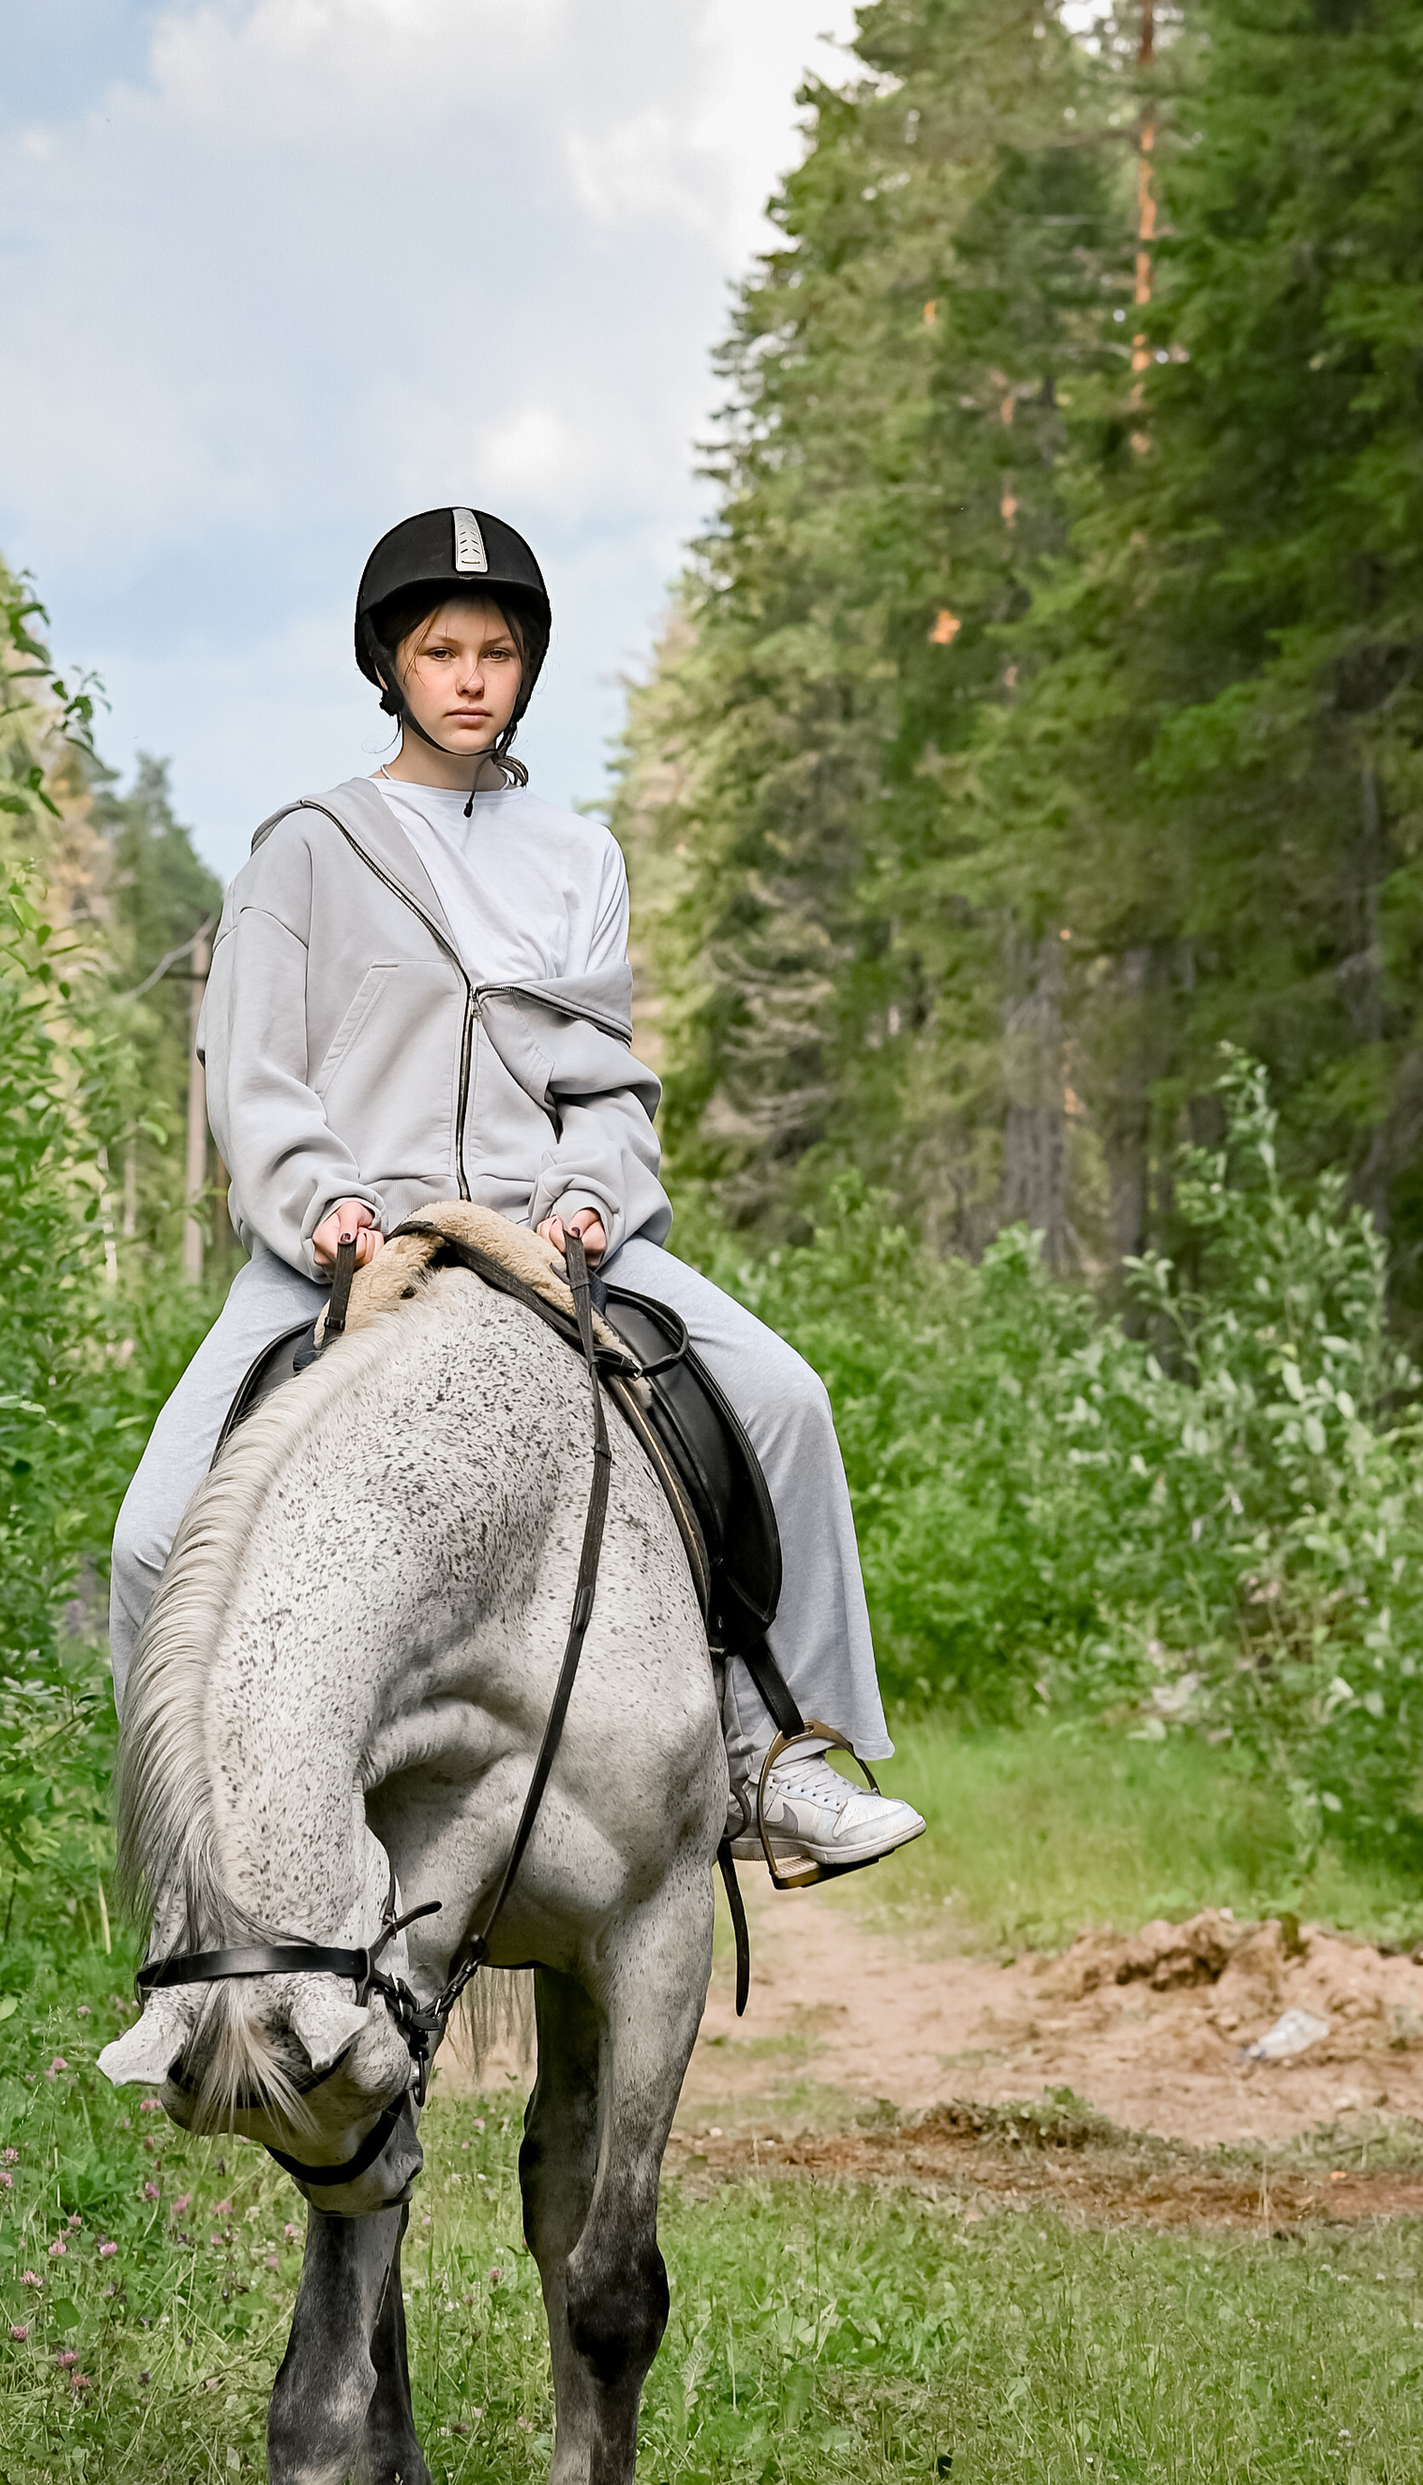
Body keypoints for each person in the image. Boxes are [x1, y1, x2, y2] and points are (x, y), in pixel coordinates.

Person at [107, 505, 924, 1879]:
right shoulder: (304, 850)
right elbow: (256, 1077)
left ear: (528, 666)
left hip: (546, 1239)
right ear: (391, 665)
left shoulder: (578, 856)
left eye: (499, 650)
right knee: (147, 1543)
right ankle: (205, 1869)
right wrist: (325, 1210)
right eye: (443, 650)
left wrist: (593, 1196)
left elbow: (601, 1080)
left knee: (784, 1399)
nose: (473, 677)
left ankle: (776, 1754)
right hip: (356, 1244)